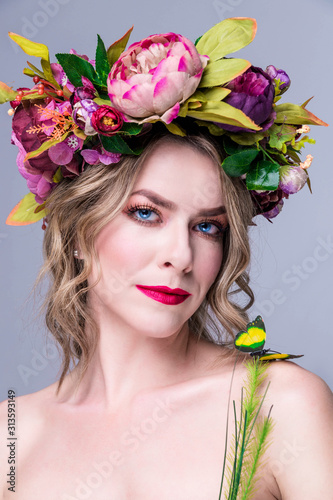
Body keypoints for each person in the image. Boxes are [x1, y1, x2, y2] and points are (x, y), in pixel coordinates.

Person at [1, 17, 333, 500]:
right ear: (77, 227)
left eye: (207, 227)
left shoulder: (278, 406)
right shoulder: (12, 436)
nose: (181, 256)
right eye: (146, 213)